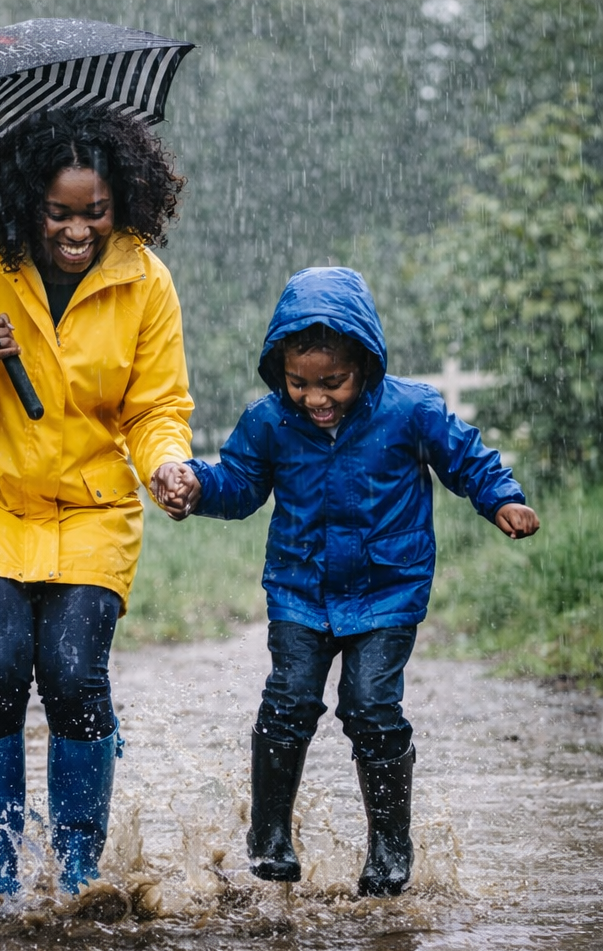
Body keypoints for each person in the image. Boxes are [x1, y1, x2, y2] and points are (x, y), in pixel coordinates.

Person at [152, 266, 539, 897]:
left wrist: (502, 500)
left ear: (365, 363)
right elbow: (242, 486)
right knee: (289, 701)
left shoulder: (411, 411)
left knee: (371, 706)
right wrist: (198, 487)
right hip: (300, 590)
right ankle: (270, 834)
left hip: (388, 591)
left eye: (332, 381)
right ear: (280, 370)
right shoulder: (269, 422)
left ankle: (389, 845)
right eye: (299, 382)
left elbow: (467, 457)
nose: (316, 397)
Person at [0, 105, 193, 897]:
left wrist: (166, 465)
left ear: (119, 201)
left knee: (72, 675)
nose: (75, 230)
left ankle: (79, 877)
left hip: (90, 503)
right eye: (57, 212)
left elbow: (156, 407)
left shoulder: (145, 282)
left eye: (93, 212)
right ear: (28, 200)